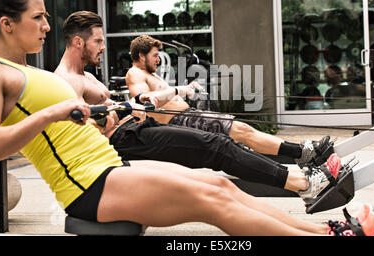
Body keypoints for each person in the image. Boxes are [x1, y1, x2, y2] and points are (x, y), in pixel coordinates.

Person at [0, 0, 374, 236]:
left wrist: (109, 114)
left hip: (106, 164)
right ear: (6, 23)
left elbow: (67, 127)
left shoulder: (25, 69)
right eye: (37, 18)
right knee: (211, 204)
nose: (47, 26)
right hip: (87, 185)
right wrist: (50, 114)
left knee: (218, 183)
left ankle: (324, 230)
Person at [55, 11, 338, 201]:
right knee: (220, 146)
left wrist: (127, 104)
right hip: (125, 138)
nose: (103, 47)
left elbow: (116, 103)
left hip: (139, 127)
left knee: (228, 143)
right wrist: (123, 109)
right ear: (78, 41)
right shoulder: (66, 81)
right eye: (98, 41)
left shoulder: (87, 75)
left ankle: (301, 174)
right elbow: (82, 125)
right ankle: (304, 182)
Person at [126, 34, 333, 166]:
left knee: (242, 132)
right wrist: (178, 89)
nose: (158, 59)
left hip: (189, 116)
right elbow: (145, 100)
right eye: (154, 55)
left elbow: (164, 95)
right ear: (141, 56)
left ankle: (301, 150)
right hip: (180, 121)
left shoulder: (152, 74)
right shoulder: (135, 74)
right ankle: (303, 152)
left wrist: (185, 90)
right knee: (242, 131)